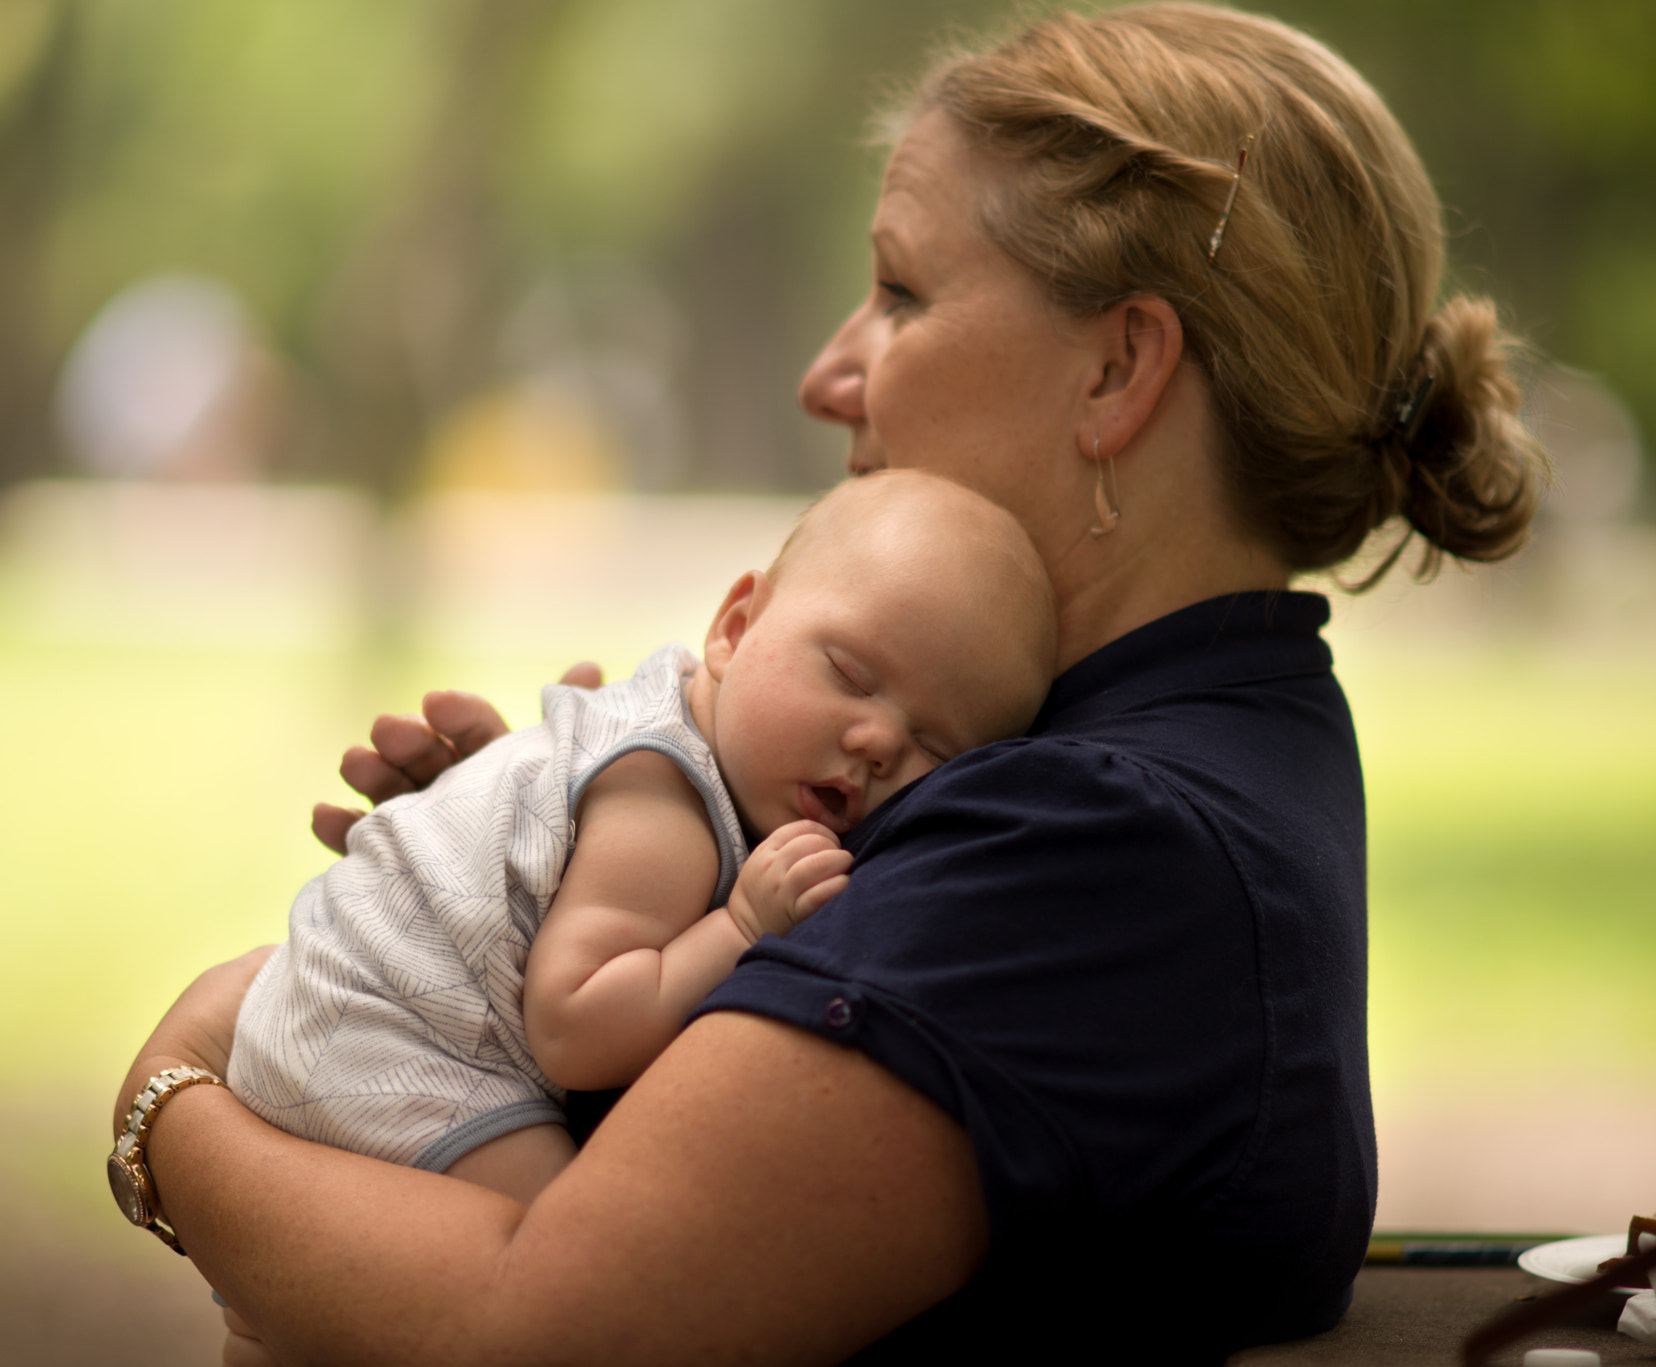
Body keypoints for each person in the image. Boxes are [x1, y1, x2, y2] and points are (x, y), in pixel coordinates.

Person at [113, 5, 1546, 1363]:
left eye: (902, 292)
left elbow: (535, 1331)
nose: (826, 373)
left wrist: (181, 1095)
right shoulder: (1199, 742)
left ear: (1119, 368)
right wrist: (520, 884)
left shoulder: (1093, 846)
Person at [226, 471, 1055, 1205]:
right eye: (849, 673)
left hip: (323, 1009)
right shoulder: (666, 806)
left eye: (937, 749)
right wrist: (739, 927)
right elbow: (575, 1027)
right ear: (734, 626)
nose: (878, 739)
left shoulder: (678, 721)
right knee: (558, 1252)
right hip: (383, 1038)